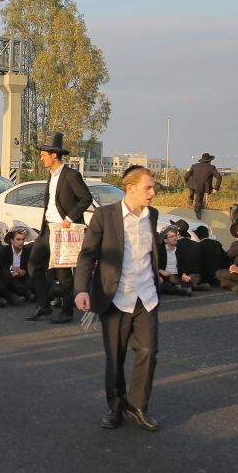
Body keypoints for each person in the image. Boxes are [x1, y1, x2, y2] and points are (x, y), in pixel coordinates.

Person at [73, 165, 162, 432]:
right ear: (131, 188)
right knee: (115, 356)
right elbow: (88, 253)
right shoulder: (105, 216)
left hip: (146, 296)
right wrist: (81, 289)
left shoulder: (152, 215)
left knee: (148, 351)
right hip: (115, 297)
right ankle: (115, 406)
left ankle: (137, 406)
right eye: (148, 187)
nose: (153, 192)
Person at [26, 132, 93, 325]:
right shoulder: (51, 175)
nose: (41, 157)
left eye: (44, 154)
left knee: (63, 274)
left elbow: (86, 199)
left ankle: (66, 311)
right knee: (33, 266)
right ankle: (44, 305)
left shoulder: (71, 175)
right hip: (47, 230)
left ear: (54, 155)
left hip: (64, 231)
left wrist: (70, 217)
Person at [156, 227, 194, 296]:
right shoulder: (160, 249)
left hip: (177, 276)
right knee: (158, 285)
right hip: (164, 276)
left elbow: (182, 266)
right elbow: (153, 263)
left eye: (176, 235)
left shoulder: (179, 250)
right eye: (172, 236)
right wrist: (160, 272)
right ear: (165, 240)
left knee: (187, 280)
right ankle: (181, 289)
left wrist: (184, 275)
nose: (175, 238)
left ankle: (180, 287)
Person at [0, 227, 32, 300]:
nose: (21, 242)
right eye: (18, 239)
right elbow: (1, 265)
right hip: (9, 276)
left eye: (23, 239)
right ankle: (27, 294)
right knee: (7, 276)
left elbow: (29, 267)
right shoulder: (5, 250)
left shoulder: (27, 251)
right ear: (12, 241)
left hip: (22, 277)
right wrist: (11, 270)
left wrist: (24, 272)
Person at [184, 152, 221, 218]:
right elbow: (219, 177)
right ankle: (198, 208)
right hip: (202, 187)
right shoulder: (211, 167)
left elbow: (186, 176)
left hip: (191, 184)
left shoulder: (194, 166)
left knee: (193, 188)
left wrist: (187, 183)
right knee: (199, 199)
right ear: (209, 161)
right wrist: (216, 188)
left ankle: (191, 196)